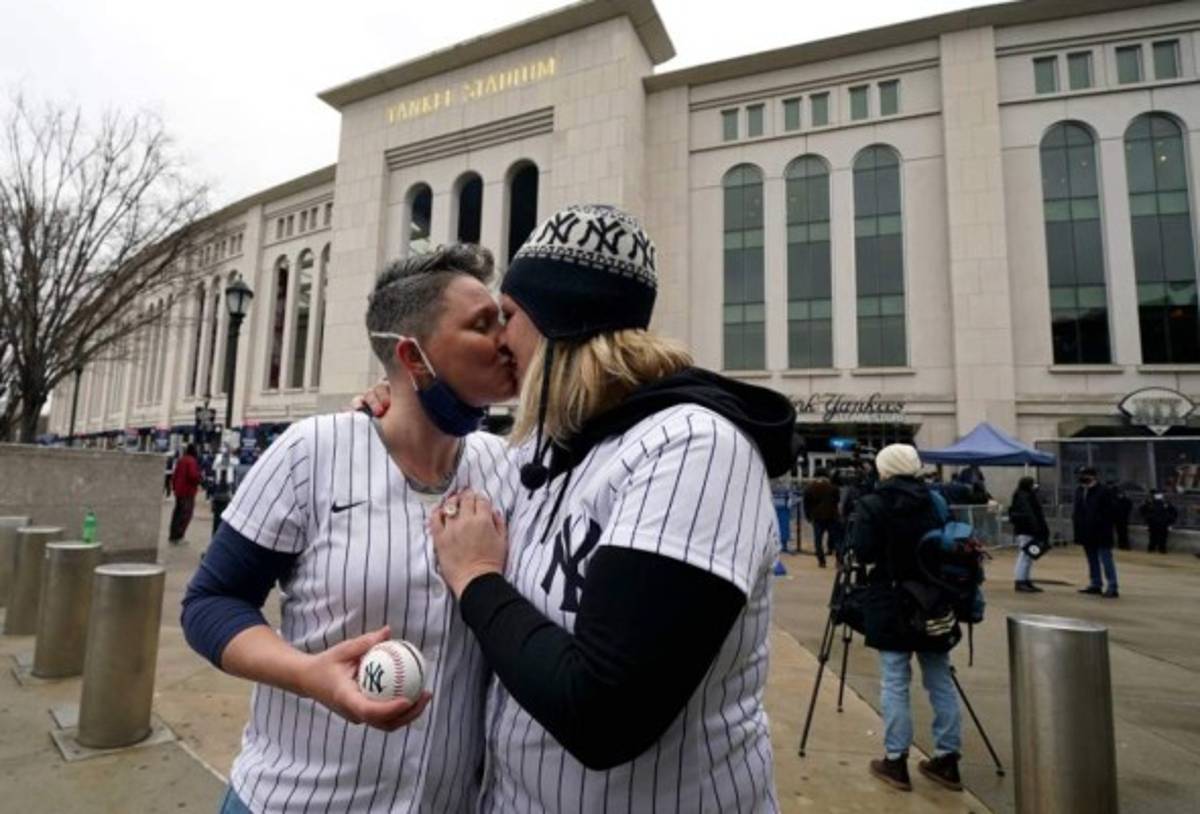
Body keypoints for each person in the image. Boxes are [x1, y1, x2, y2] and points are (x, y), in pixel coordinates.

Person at [424, 204, 795, 812]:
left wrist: (476, 579)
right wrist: (403, 405)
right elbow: (462, 453)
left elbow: (603, 714)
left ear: (556, 320)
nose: (499, 339)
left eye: (509, 316)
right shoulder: (560, 441)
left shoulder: (695, 448)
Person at [181, 244, 519, 813]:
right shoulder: (311, 452)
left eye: (503, 321)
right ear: (414, 359)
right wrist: (310, 674)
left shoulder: (510, 466)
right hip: (294, 800)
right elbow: (211, 602)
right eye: (482, 324)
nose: (505, 339)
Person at [849, 444, 964, 793]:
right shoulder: (935, 502)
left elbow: (863, 551)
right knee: (939, 676)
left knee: (895, 680)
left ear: (883, 469)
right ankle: (948, 757)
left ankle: (896, 759)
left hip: (891, 598)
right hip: (933, 599)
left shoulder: (873, 504)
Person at [1073, 466, 1119, 598]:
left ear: (1092, 476)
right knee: (1092, 559)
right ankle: (1095, 583)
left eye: (1084, 475)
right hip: (1086, 531)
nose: (1081, 478)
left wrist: (1101, 523)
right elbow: (1078, 511)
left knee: (1106, 559)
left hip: (1101, 531)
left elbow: (1111, 511)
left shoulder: (1103, 491)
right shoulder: (1080, 490)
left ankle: (1112, 585)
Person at [1009, 476, 1049, 593]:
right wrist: (1037, 528)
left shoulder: (1023, 495)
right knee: (1025, 556)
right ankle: (1020, 580)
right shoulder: (1024, 497)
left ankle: (1025, 579)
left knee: (1028, 556)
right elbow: (1030, 513)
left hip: (1026, 529)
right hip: (1026, 530)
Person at [804, 468, 842, 567]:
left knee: (818, 540)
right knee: (837, 539)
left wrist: (808, 516)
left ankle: (821, 561)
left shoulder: (809, 488)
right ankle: (839, 560)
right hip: (832, 516)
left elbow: (807, 504)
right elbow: (837, 501)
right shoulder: (833, 488)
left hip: (817, 517)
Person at [168, 444, 203, 544]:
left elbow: (175, 475)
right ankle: (179, 536)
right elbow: (193, 476)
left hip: (179, 491)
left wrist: (174, 487)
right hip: (187, 492)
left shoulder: (181, 460)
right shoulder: (191, 461)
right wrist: (199, 478)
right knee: (186, 514)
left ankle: (172, 535)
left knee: (177, 513)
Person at [1140, 489, 1178, 554]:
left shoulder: (1165, 504)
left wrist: (1170, 521)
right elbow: (1143, 510)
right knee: (1155, 538)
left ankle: (1157, 550)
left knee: (1159, 538)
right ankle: (1155, 549)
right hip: (1156, 523)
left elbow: (1173, 512)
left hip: (1160, 523)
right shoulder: (1151, 503)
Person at [1112, 481, 1133, 551]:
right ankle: (1122, 545)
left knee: (1123, 533)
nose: (1120, 495)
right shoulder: (1116, 501)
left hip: (1123, 519)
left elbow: (1128, 508)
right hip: (1118, 519)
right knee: (1120, 533)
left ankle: (1125, 545)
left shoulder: (1125, 501)